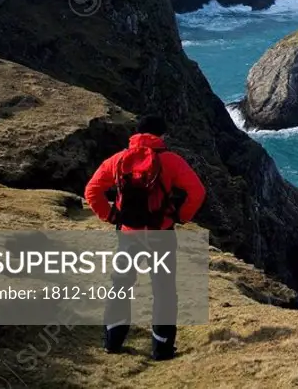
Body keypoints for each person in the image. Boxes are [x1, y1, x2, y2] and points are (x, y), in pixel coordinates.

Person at [84, 114, 206, 361]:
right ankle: (161, 349)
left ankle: (112, 343)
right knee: (163, 292)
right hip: (161, 235)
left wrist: (111, 216)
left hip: (129, 236)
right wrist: (181, 216)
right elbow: (197, 191)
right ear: (161, 136)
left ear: (136, 134)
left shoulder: (118, 160)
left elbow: (92, 190)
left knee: (121, 286)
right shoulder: (171, 161)